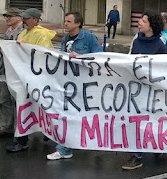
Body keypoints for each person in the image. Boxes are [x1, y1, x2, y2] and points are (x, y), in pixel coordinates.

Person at [47, 12, 103, 160]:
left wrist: (80, 57)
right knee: (68, 114)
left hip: (86, 84)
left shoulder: (89, 38)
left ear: (78, 24)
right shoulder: (65, 40)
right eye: (65, 21)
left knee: (84, 114)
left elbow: (100, 57)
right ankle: (65, 147)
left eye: (69, 21)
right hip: (69, 83)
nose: (65, 23)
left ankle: (80, 144)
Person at [122, 11, 167, 170]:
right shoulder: (136, 41)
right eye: (140, 20)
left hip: (152, 91)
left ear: (152, 25)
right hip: (136, 89)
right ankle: (137, 155)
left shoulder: (159, 45)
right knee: (136, 121)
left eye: (143, 21)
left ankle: (154, 145)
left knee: (150, 121)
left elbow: (163, 69)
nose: (139, 23)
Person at [7, 8, 56, 152]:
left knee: (37, 106)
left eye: (27, 19)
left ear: (35, 19)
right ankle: (23, 138)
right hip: (25, 77)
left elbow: (43, 55)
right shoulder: (24, 33)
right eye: (23, 18)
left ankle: (27, 139)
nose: (24, 21)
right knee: (26, 106)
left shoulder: (41, 34)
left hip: (37, 78)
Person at [0, 8, 24, 140]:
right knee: (4, 100)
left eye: (10, 16)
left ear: (18, 17)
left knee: (19, 101)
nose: (7, 19)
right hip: (7, 71)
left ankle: (21, 129)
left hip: (18, 73)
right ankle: (8, 127)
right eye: (6, 16)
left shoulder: (23, 32)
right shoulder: (9, 31)